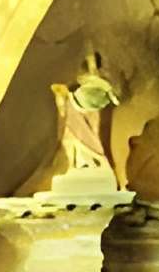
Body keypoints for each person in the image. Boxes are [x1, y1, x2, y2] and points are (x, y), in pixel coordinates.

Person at [51, 47, 123, 180]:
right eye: (89, 61)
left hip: (92, 111)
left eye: (93, 61)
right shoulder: (81, 81)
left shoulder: (99, 82)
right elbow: (65, 95)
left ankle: (99, 161)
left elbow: (111, 96)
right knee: (73, 136)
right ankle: (76, 165)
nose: (91, 64)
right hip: (79, 108)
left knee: (94, 136)